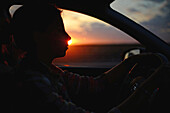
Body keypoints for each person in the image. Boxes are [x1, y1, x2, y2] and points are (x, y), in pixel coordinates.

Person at [11, 4, 166, 113]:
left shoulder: (49, 70)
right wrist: (147, 88)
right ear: (38, 36)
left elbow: (95, 85)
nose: (68, 37)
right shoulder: (34, 83)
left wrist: (131, 62)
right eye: (59, 30)